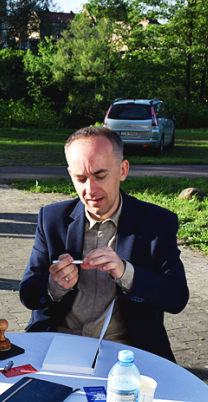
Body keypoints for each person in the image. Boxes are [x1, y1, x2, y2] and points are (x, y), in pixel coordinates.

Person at [19, 126, 189, 362]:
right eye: (80, 179)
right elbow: (28, 295)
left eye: (100, 176)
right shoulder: (52, 219)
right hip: (59, 345)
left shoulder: (157, 223)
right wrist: (53, 285)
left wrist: (126, 273)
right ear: (70, 175)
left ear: (122, 170)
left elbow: (177, 297)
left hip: (128, 353)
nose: (90, 190)